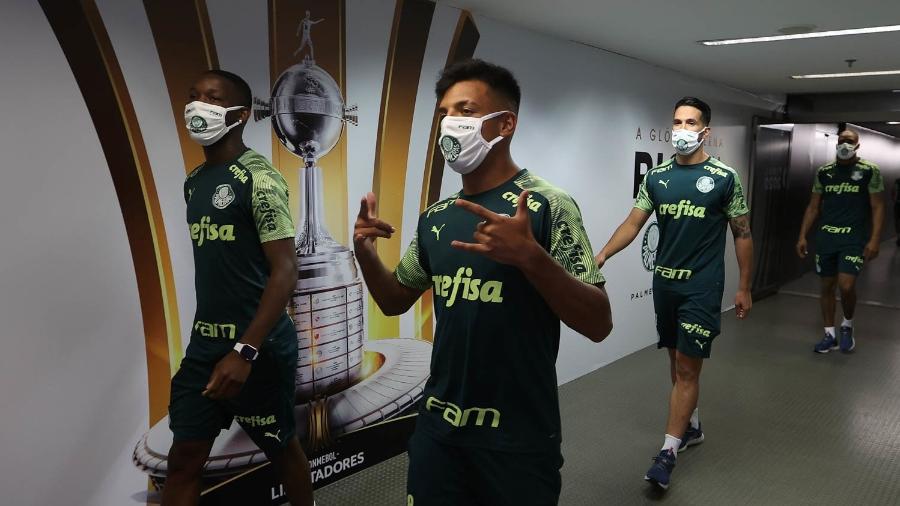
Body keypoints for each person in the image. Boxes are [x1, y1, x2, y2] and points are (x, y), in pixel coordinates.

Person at [353, 59, 612, 505]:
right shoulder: (436, 218)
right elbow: (395, 299)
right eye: (444, 114)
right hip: (439, 430)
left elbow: (598, 323)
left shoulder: (548, 206)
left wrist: (531, 258)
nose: (451, 124)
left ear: (505, 123)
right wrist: (365, 254)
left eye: (466, 111)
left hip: (517, 437)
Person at [162, 70, 314, 506]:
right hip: (205, 345)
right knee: (185, 458)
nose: (198, 106)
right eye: (193, 95)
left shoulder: (259, 179)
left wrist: (245, 351)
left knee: (281, 450)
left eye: (212, 98)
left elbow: (286, 271)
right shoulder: (194, 181)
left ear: (241, 115)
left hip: (257, 347)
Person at [595, 97, 753, 490]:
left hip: (703, 285)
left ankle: (666, 452)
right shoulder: (657, 177)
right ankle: (692, 425)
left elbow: (743, 234)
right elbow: (633, 224)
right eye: (677, 122)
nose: (682, 129)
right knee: (676, 357)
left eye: (690, 122)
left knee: (686, 366)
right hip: (665, 283)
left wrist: (744, 286)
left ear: (705, 131)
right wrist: (602, 255)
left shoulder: (724, 177)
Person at [796, 129, 885, 354]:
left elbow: (878, 207)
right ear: (837, 143)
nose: (845, 144)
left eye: (850, 141)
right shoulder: (824, 172)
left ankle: (847, 325)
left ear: (857, 145)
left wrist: (874, 240)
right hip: (827, 238)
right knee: (826, 286)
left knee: (846, 286)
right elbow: (813, 206)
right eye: (842, 141)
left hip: (854, 238)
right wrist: (802, 235)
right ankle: (829, 334)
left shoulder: (869, 171)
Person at [892, 175, 900, 246]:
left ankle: (899, 238)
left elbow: (893, 192)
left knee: (897, 221)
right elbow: (894, 192)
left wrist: (894, 200)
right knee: (897, 221)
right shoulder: (897, 181)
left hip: (897, 203)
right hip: (897, 203)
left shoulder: (897, 181)